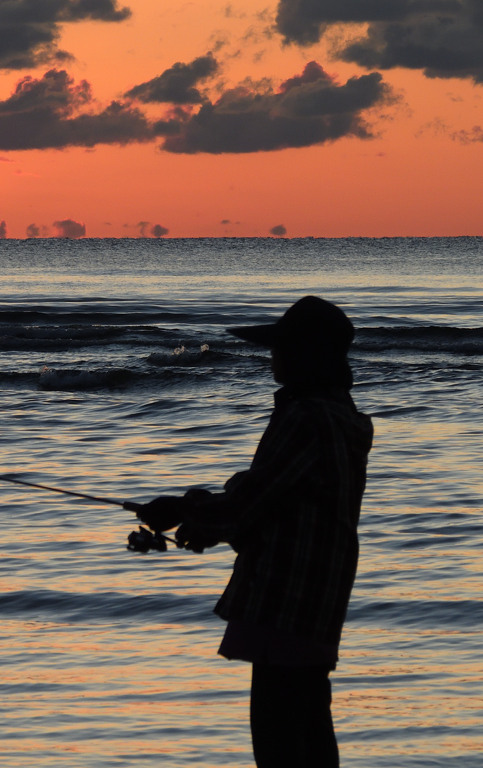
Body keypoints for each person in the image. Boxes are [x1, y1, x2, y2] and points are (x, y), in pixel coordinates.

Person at [126, 296, 373, 767]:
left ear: (305, 356)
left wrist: (181, 509)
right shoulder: (340, 417)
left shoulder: (306, 418)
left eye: (281, 348)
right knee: (312, 735)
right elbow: (280, 506)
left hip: (287, 602)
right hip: (318, 602)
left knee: (281, 743)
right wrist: (203, 518)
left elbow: (250, 502)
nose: (272, 356)